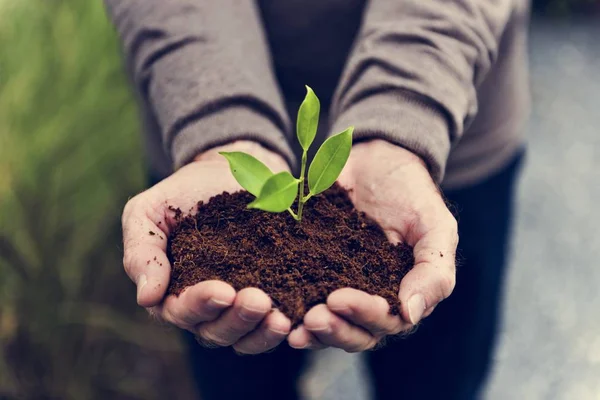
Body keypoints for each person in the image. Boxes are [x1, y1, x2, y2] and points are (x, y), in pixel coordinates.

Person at [107, 1, 529, 399]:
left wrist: (403, 114)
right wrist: (216, 119)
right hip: (196, 134)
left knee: (437, 382)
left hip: (443, 123)